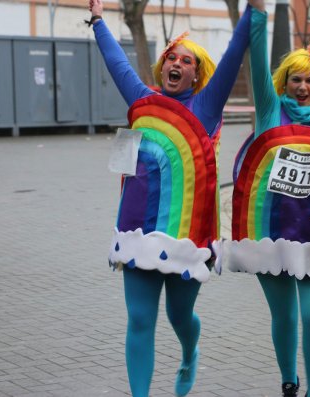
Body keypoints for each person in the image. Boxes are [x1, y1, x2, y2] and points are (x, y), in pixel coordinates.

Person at [88, 0, 254, 395]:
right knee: (140, 321)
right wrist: (97, 20)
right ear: (163, 67)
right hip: (137, 232)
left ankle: (189, 351)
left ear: (196, 75)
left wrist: (253, 11)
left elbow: (233, 56)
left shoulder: (206, 107)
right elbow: (118, 64)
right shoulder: (143, 100)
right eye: (171, 58)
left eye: (187, 61)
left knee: (180, 317)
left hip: (185, 236)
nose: (176, 64)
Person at [216, 1, 310, 396]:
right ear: (283, 82)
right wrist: (257, 12)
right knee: (283, 316)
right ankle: (289, 383)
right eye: (296, 79)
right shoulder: (269, 111)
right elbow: (256, 57)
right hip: (271, 235)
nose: (303, 87)